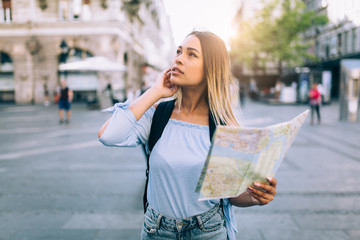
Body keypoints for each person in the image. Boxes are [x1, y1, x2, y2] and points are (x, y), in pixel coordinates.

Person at [98, 31, 277, 240]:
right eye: (179, 52)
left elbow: (230, 194)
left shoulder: (224, 126)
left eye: (191, 54)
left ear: (211, 68)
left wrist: (256, 196)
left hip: (207, 231)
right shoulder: (158, 114)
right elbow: (108, 135)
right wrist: (155, 91)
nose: (179, 59)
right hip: (156, 231)